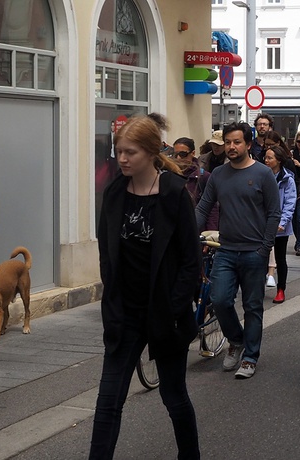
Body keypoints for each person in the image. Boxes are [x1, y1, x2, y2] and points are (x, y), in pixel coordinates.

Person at [90, 113, 201, 458]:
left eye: (130, 152)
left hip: (165, 314)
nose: (122, 159)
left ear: (152, 153)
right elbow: (106, 253)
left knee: (174, 396)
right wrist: (112, 302)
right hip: (124, 314)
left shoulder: (174, 194)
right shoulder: (113, 193)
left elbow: (190, 261)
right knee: (108, 401)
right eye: (119, 151)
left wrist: (174, 307)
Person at [194, 121, 282, 380]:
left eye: (237, 142)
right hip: (226, 250)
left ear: (248, 144)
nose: (232, 147)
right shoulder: (219, 175)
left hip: (254, 251)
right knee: (219, 300)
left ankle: (250, 357)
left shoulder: (264, 173)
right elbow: (203, 207)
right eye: (228, 142)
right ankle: (236, 339)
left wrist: (265, 248)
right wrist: (187, 233)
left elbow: (273, 213)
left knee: (253, 306)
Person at [262, 146, 297, 303]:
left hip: (279, 226)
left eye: (270, 158)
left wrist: (282, 222)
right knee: (260, 256)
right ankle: (258, 285)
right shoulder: (261, 176)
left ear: (279, 160)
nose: (266, 160)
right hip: (262, 224)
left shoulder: (288, 179)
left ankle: (281, 288)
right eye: (266, 157)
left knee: (280, 258)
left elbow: (290, 203)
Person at [171, 137, 209, 207]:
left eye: (183, 154)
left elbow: (211, 207)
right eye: (175, 154)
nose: (178, 158)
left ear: (193, 153)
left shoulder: (203, 176)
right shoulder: (169, 175)